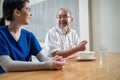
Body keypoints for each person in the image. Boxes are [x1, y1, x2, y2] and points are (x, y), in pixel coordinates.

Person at [0, 0, 65, 74]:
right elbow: (8, 65)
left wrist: (54, 61)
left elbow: (43, 58)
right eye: (28, 9)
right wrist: (46, 65)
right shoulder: (1, 34)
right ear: (17, 12)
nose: (31, 14)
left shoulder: (29, 36)